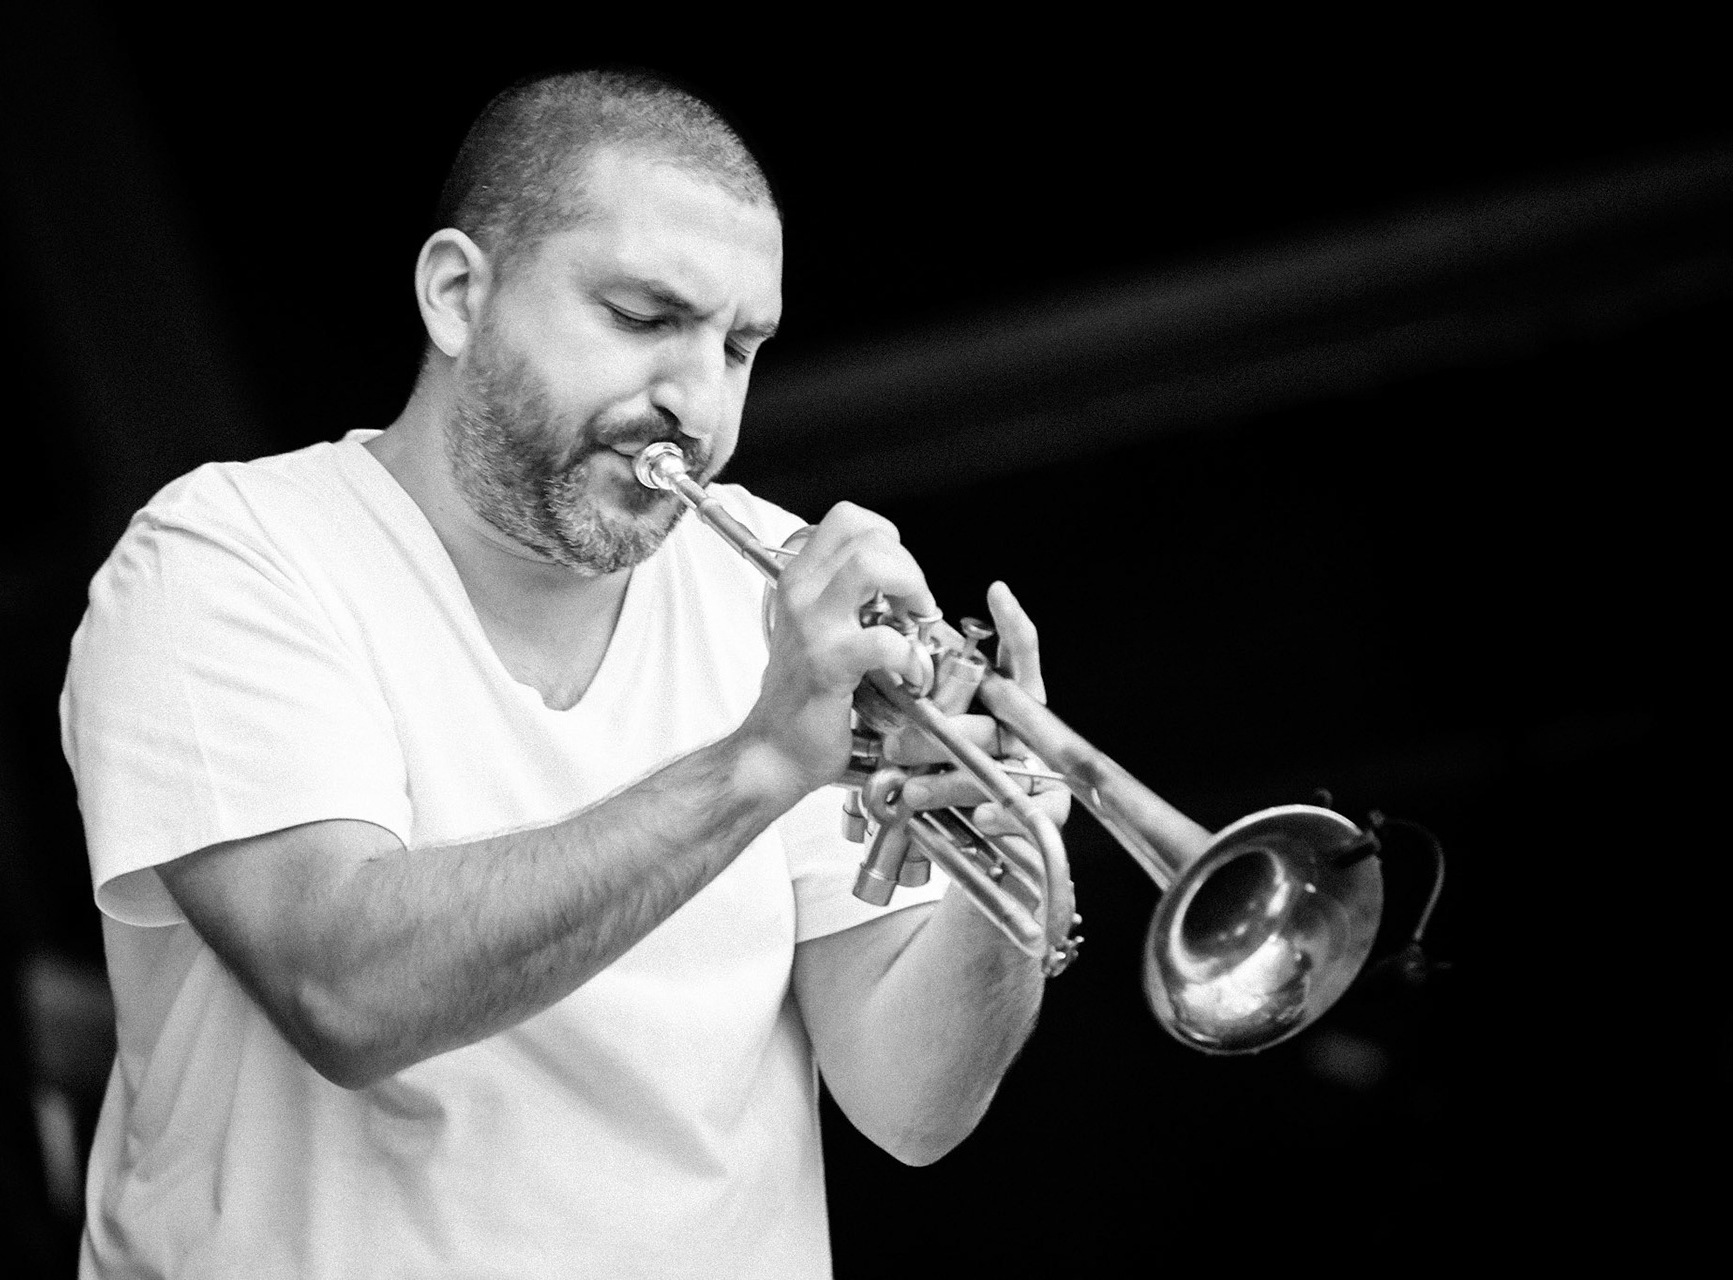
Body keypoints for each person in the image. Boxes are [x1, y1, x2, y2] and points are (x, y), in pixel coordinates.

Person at [60, 67, 1069, 1278]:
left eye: (741, 346)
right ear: (456, 294)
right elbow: (345, 989)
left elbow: (913, 1109)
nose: (696, 403)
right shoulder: (226, 557)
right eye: (644, 319)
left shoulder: (777, 592)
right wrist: (758, 761)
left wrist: (1006, 876)